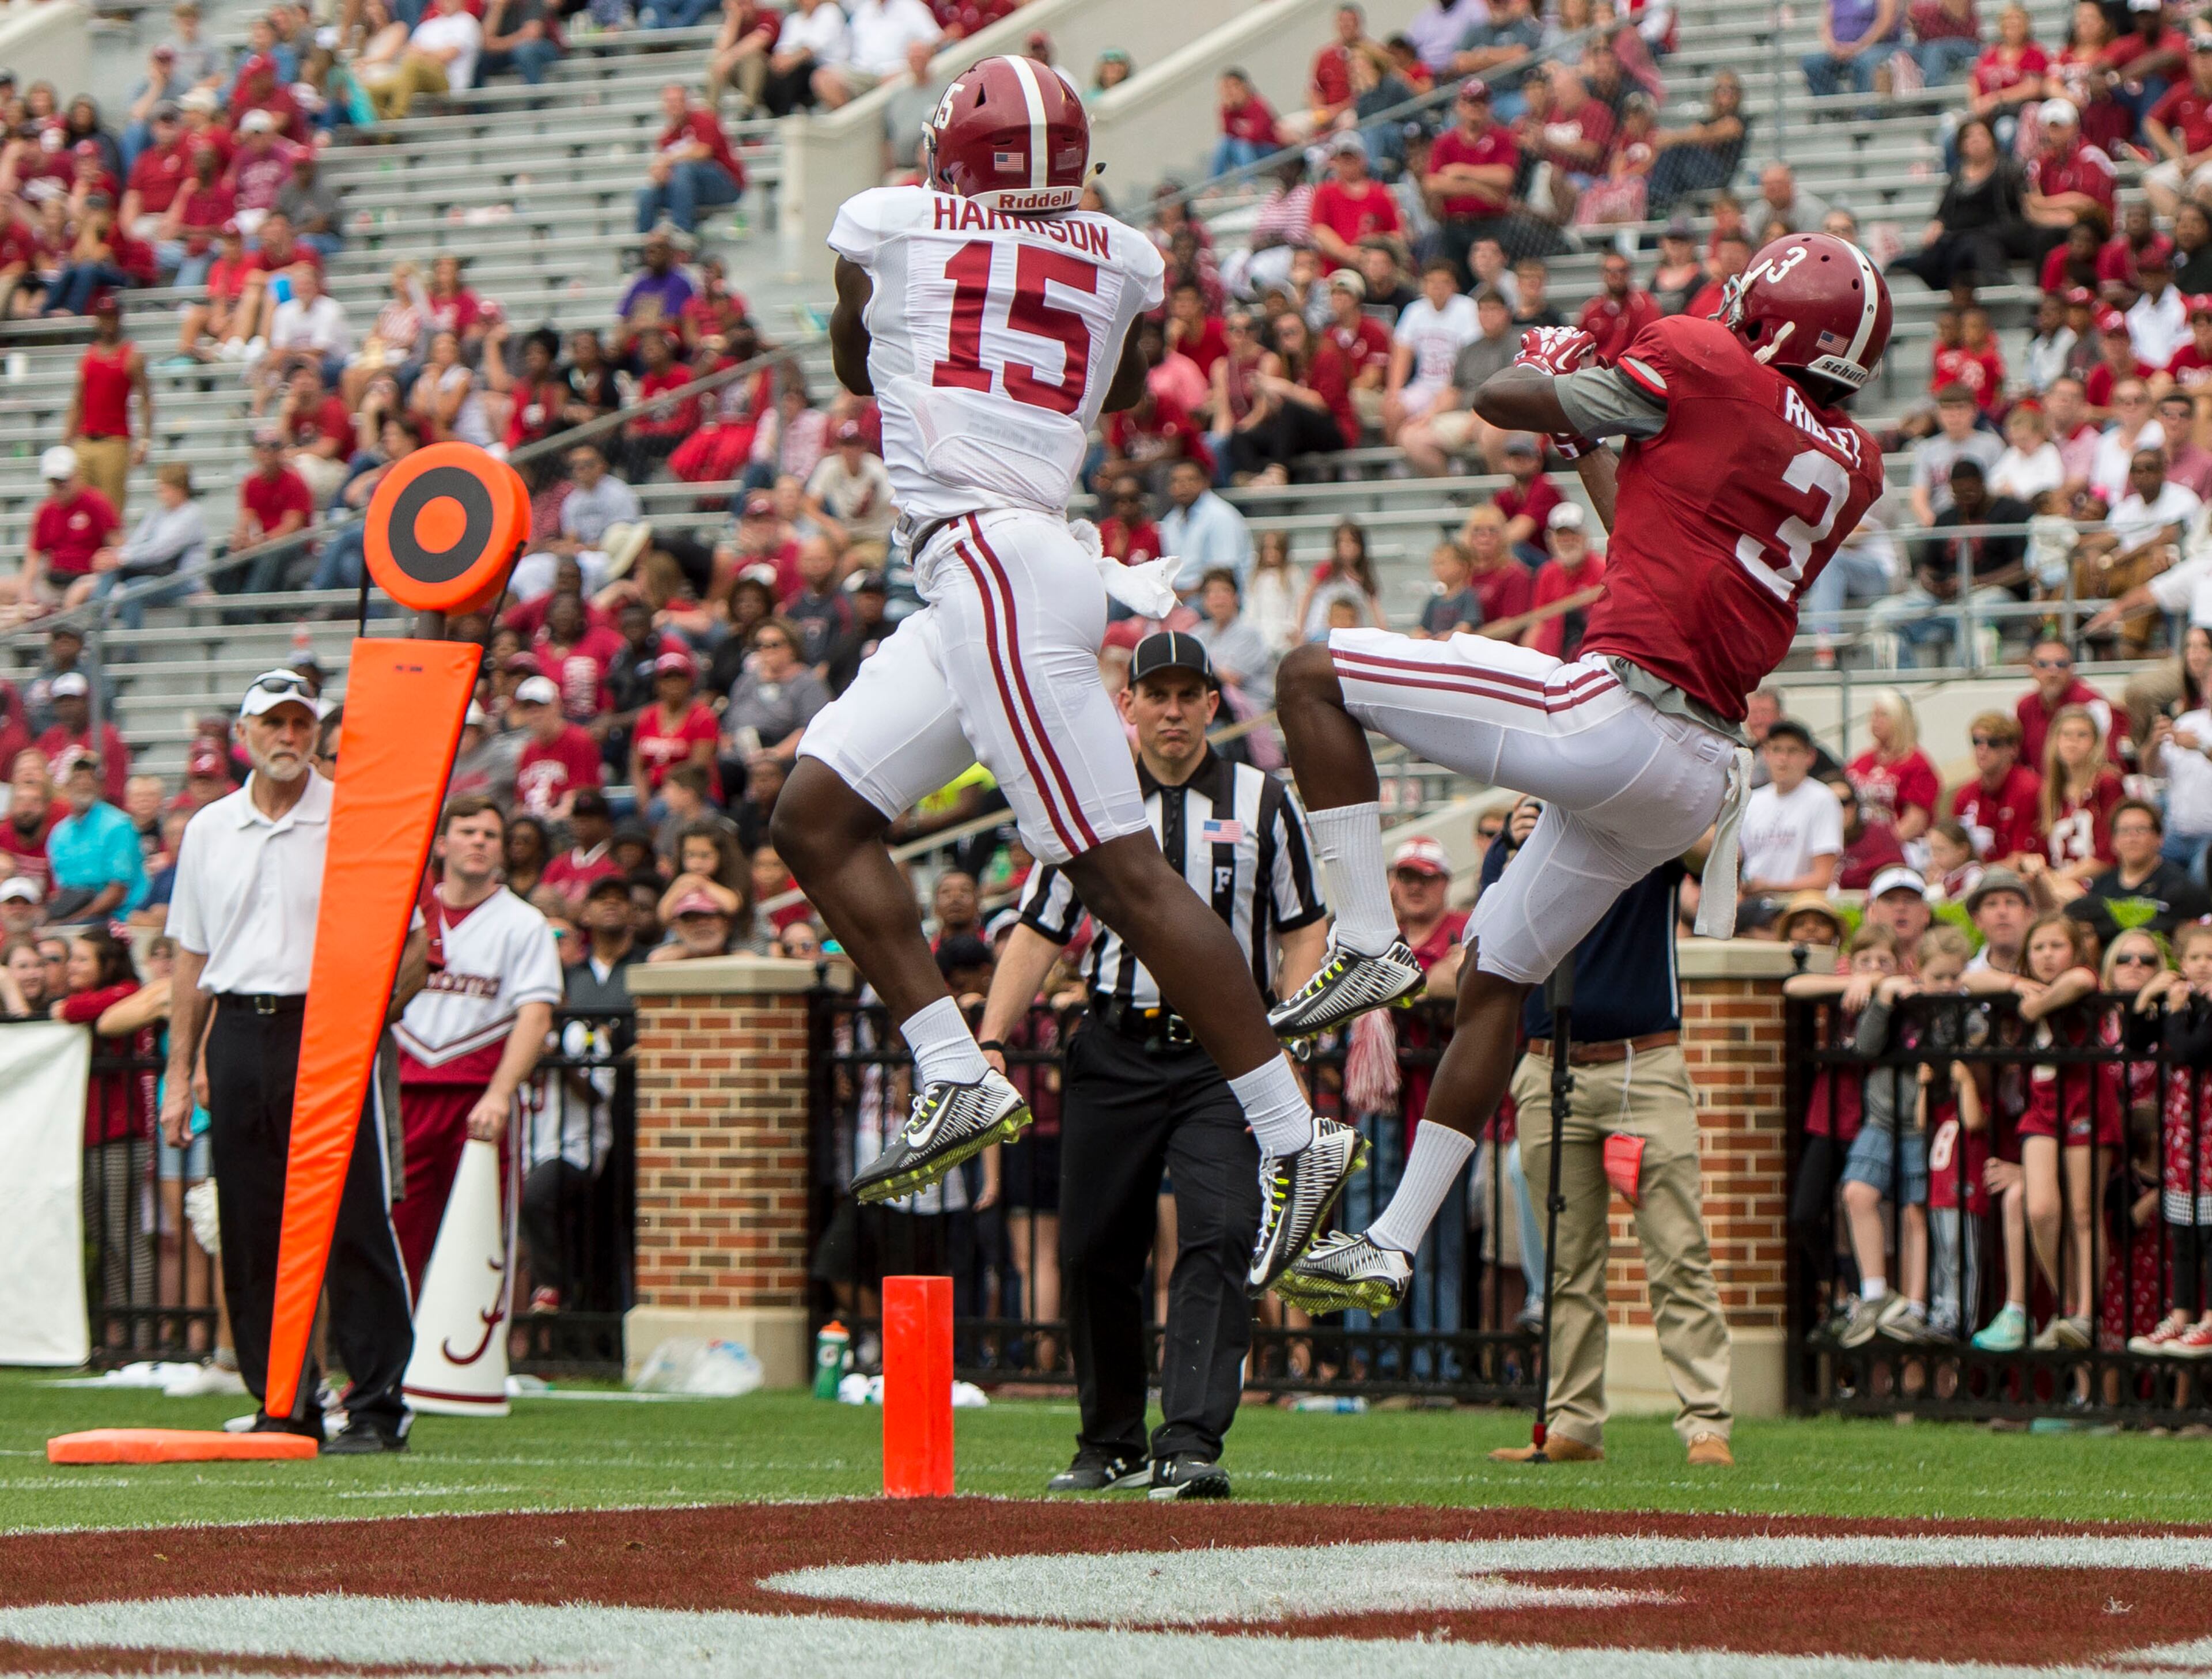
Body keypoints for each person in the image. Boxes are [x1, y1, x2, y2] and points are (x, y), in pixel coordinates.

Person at [779, 59, 1350, 1293]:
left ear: (951, 164)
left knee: (1116, 867)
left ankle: (1295, 1139)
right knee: (815, 813)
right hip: (1000, 562)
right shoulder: (1126, 256)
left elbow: (848, 361)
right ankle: (951, 1069)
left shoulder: (884, 223)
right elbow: (1128, 385)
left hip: (990, 557)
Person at [1264, 233, 1892, 1310]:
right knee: (1498, 978)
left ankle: (1366, 937)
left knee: (1310, 672)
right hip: (1694, 768)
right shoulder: (1850, 460)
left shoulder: (1706, 356)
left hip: (1617, 713)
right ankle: (1393, 1240)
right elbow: (1657, 527)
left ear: (1769, 317)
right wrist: (1583, 435)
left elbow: (1504, 401)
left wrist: (1553, 370)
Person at [976, 633, 1326, 1498]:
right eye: (1155, 694)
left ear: (1214, 703)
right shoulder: (1089, 804)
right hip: (1116, 1044)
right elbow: (1040, 928)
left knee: (1217, 1232)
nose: (1172, 710)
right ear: (1125, 705)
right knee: (1097, 1247)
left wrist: (1291, 1036)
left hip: (1225, 1056)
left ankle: (1192, 1439)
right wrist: (986, 1040)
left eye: (1188, 694)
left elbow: (1303, 923)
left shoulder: (1264, 800)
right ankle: (1111, 1439)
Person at [161, 669, 421, 1451]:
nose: (287, 736)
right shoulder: (209, 828)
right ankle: (283, 1397)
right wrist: (180, 1070)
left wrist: (368, 1020)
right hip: (240, 1027)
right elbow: (191, 954)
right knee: (248, 1223)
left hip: (329, 1026)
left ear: (316, 732)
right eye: (272, 723)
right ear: (243, 735)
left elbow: (412, 941)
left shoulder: (355, 818)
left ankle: (377, 1402)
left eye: (300, 723)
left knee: (351, 1220)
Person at [1482, 840, 1736, 1467]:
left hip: (1643, 1064)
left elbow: (1718, 859)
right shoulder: (1525, 833)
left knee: (1677, 1248)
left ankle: (1707, 1421)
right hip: (1548, 1065)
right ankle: (1573, 1424)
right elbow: (1489, 931)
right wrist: (1517, 847)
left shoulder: (1645, 817)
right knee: (1566, 1261)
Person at [391, 797, 560, 1297]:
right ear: (441, 843)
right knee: (398, 1234)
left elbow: (536, 1013)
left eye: (490, 835)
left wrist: (499, 1093)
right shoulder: (407, 913)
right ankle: (396, 1367)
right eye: (467, 832)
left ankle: (472, 1367)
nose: (479, 843)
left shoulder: (523, 921)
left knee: (480, 1236)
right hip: (403, 1091)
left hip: (476, 1099)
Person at [64, 294, 150, 516]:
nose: (108, 323)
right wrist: (67, 438)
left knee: (110, 510)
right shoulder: (89, 356)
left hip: (114, 440)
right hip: (86, 439)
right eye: (104, 317)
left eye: (111, 317)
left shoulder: (131, 355)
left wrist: (145, 439)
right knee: (80, 507)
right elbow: (78, 399)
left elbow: (146, 398)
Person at [1739, 719, 1846, 899]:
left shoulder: (1823, 799)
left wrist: (1770, 887)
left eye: (1792, 751)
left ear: (1810, 757)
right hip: (1753, 905)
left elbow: (1823, 878)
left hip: (1800, 905)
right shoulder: (1752, 801)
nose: (1783, 759)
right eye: (1776, 749)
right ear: (1766, 754)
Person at [45, 752, 147, 920]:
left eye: (91, 777)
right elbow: (62, 890)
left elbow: (118, 890)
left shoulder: (119, 825)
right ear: (66, 786)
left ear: (100, 785)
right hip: (74, 914)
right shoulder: (59, 834)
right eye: (78, 778)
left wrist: (75, 920)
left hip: (117, 919)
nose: (84, 784)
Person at [636, 82, 746, 236]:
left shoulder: (704, 120)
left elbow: (704, 152)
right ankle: (645, 245)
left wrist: (668, 159)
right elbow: (664, 173)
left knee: (684, 168)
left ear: (687, 102)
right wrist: (660, 175)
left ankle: (683, 233)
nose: (674, 106)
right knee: (646, 193)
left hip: (726, 184)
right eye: (670, 101)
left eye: (678, 100)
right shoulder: (666, 138)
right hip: (688, 190)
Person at [1949, 709, 2043, 863]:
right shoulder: (1965, 794)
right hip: (1977, 874)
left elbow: (2021, 858)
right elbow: (1952, 851)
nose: (1983, 749)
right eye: (1977, 741)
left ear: (2013, 749)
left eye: (1993, 743)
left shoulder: (2029, 789)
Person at [1157, 456, 1253, 593]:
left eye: (1190, 480)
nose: (1182, 486)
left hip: (1216, 594)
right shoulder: (1170, 521)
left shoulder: (1221, 516)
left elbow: (1222, 575)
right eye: (1176, 481)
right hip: (1179, 594)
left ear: (1205, 482)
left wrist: (1183, 597)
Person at [1802, 0, 1902, 98]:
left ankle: (1866, 112)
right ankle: (1837, 111)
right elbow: (1826, 26)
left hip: (1878, 48)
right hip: (1840, 51)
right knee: (1812, 63)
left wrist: (1859, 47)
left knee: (1865, 63)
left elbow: (1885, 23)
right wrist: (1834, 48)